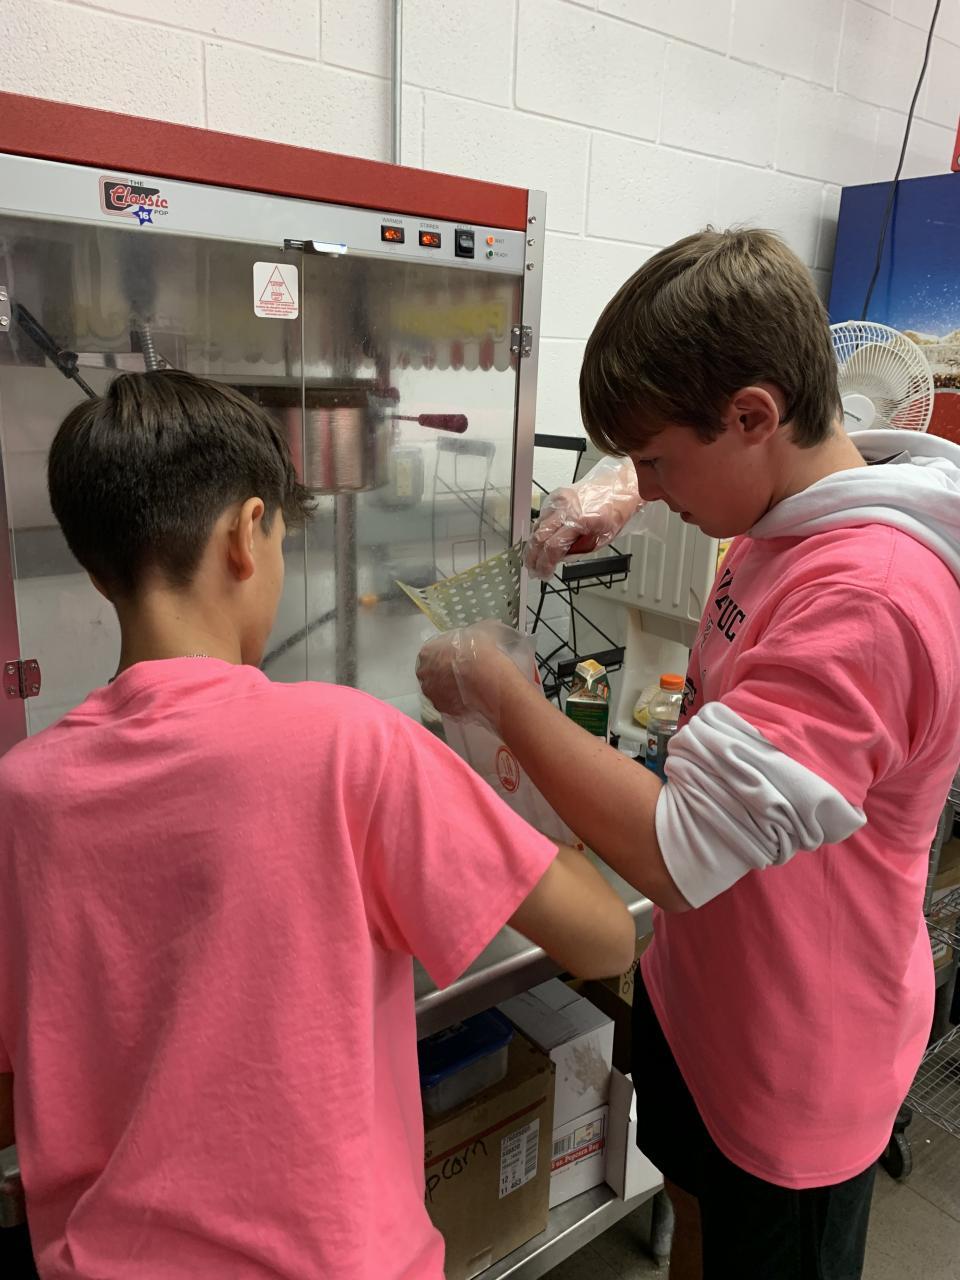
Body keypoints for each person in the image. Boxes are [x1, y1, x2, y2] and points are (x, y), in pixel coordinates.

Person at [0, 370, 636, 1280]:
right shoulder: (349, 745)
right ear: (245, 535)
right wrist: (517, 757)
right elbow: (605, 938)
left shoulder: (22, 794)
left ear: (96, 566)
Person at [417, 228, 960, 1280]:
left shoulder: (870, 599)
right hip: (701, 995)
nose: (655, 492)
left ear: (753, 416)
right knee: (692, 1217)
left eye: (660, 463)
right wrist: (626, 481)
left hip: (795, 1055)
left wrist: (500, 691)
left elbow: (678, 850)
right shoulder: (787, 502)